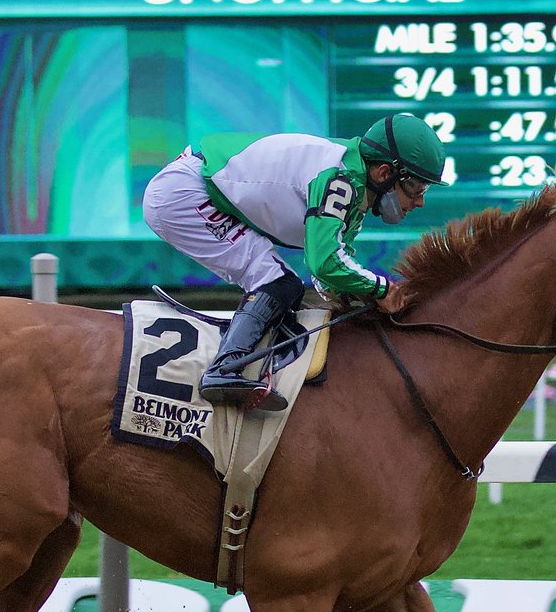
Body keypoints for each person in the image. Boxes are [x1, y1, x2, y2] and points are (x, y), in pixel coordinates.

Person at [142, 112, 449, 409]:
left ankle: (247, 366)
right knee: (278, 283)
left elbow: (330, 279)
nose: (420, 201)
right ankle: (224, 370)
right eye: (416, 187)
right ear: (384, 173)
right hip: (185, 193)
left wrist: (363, 298)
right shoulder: (340, 180)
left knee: (285, 288)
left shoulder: (353, 191)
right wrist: (382, 289)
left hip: (191, 189)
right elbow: (325, 263)